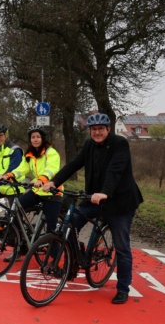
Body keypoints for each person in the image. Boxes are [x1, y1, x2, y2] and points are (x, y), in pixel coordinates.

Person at [42, 113, 143, 305]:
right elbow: (73, 165)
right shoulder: (89, 145)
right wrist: (53, 181)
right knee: (69, 224)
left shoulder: (119, 144)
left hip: (119, 202)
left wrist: (105, 192)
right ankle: (74, 262)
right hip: (93, 199)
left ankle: (123, 288)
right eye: (93, 129)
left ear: (108, 130)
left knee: (121, 246)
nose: (97, 132)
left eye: (101, 129)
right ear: (90, 131)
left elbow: (115, 170)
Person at [0, 125, 63, 261]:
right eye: (33, 137)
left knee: (52, 229)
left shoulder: (51, 153)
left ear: (43, 138)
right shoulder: (30, 154)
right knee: (15, 209)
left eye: (38, 137)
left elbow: (52, 169)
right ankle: (20, 246)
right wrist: (9, 175)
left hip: (52, 193)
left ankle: (55, 260)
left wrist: (42, 179)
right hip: (37, 191)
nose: (35, 139)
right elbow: (22, 168)